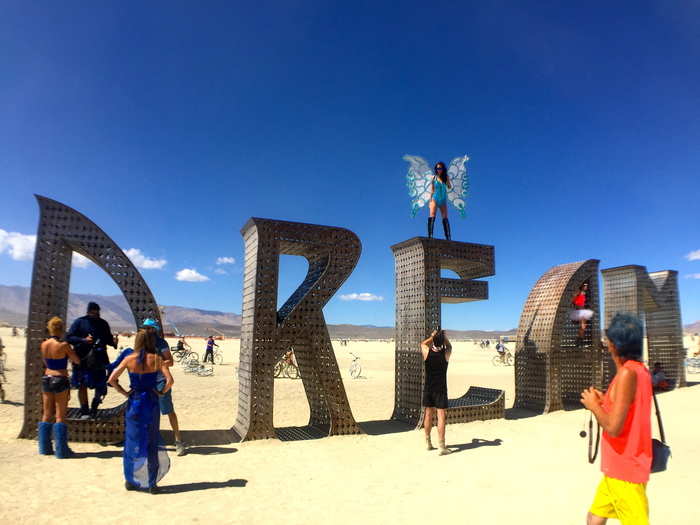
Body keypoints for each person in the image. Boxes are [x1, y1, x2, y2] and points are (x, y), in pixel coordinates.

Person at [580, 313, 652, 525]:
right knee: (594, 518)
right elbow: (629, 408)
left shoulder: (627, 374)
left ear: (615, 344)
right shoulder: (639, 371)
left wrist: (593, 406)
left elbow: (613, 427)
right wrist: (606, 401)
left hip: (626, 468)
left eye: (608, 339)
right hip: (618, 466)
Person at [108, 329, 173, 494]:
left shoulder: (129, 359)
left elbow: (111, 379)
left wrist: (124, 392)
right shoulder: (157, 359)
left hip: (135, 401)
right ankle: (152, 483)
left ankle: (131, 480)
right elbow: (170, 381)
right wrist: (161, 392)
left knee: (132, 441)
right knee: (152, 442)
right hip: (151, 402)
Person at [109, 319, 186, 456]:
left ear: (154, 329)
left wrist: (157, 365)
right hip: (144, 383)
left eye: (149, 328)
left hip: (159, 381)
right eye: (145, 327)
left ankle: (178, 440)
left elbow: (171, 361)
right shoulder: (143, 344)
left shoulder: (161, 343)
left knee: (168, 410)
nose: (147, 330)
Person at [66, 302, 119, 418]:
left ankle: (94, 407)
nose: (95, 315)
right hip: (82, 359)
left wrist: (113, 342)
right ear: (88, 312)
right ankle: (84, 410)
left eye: (97, 312)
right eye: (93, 312)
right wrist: (83, 340)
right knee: (82, 385)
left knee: (101, 385)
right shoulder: (79, 322)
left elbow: (108, 339)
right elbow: (69, 337)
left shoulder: (103, 323)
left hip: (99, 359)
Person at [38, 317, 80, 458]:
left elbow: (45, 361)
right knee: (60, 415)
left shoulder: (44, 344)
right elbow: (76, 360)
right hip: (60, 378)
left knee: (46, 413)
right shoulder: (64, 345)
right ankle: (62, 450)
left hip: (47, 377)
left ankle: (44, 448)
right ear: (61, 329)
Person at [421, 329, 452, 455]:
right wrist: (443, 337)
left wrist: (432, 336)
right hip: (441, 388)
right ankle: (441, 446)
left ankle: (428, 442)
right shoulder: (446, 353)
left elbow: (422, 344)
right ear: (443, 341)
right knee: (441, 416)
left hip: (429, 387)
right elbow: (449, 345)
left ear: (433, 341)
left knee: (428, 414)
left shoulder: (427, 352)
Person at [427, 161, 453, 240]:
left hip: (443, 199)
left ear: (443, 169)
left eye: (440, 168)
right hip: (435, 198)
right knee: (432, 215)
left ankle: (448, 237)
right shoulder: (433, 177)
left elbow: (449, 187)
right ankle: (430, 236)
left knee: (445, 217)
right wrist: (430, 200)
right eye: (437, 168)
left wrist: (448, 180)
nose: (439, 169)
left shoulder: (445, 177)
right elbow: (432, 190)